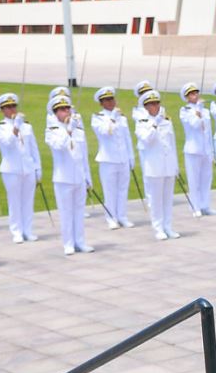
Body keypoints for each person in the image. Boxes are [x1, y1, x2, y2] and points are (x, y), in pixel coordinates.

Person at [46, 95, 93, 255]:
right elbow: (59, 146)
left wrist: (87, 176)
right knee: (66, 212)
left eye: (68, 108)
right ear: (55, 113)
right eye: (62, 109)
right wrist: (68, 131)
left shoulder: (78, 130)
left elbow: (83, 156)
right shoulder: (52, 131)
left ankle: (80, 241)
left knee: (79, 212)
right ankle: (68, 243)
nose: (66, 111)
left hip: (79, 176)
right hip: (63, 178)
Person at [0, 93, 40, 243]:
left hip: (28, 168)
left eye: (13, 106)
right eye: (8, 107)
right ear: (2, 110)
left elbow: (33, 149)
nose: (12, 109)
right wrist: (15, 127)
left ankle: (28, 230)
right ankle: (16, 231)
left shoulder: (27, 126)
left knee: (28, 201)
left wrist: (37, 168)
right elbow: (7, 143)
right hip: (11, 169)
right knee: (14, 201)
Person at [134, 90, 180, 240]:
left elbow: (172, 144)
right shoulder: (142, 123)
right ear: (146, 107)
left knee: (167, 199)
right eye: (151, 104)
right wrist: (155, 124)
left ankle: (168, 226)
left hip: (168, 164)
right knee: (155, 200)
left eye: (157, 103)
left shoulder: (166, 120)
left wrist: (175, 165)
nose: (155, 106)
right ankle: (158, 227)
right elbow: (147, 139)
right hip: (154, 166)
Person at [91, 88, 136, 229]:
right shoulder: (97, 118)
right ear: (101, 103)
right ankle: (111, 217)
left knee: (123, 189)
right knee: (110, 191)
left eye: (112, 99)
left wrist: (131, 157)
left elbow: (127, 138)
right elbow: (105, 132)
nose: (110, 102)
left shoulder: (121, 117)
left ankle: (122, 216)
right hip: (108, 159)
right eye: (107, 100)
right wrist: (112, 119)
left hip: (123, 158)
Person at [177, 83, 216, 218]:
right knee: (194, 180)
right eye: (192, 94)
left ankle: (205, 205)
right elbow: (194, 125)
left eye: (196, 93)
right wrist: (198, 114)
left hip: (205, 149)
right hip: (193, 149)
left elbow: (208, 132)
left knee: (206, 179)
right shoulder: (185, 110)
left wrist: (211, 151)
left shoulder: (204, 111)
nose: (195, 95)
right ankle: (195, 206)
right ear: (187, 97)